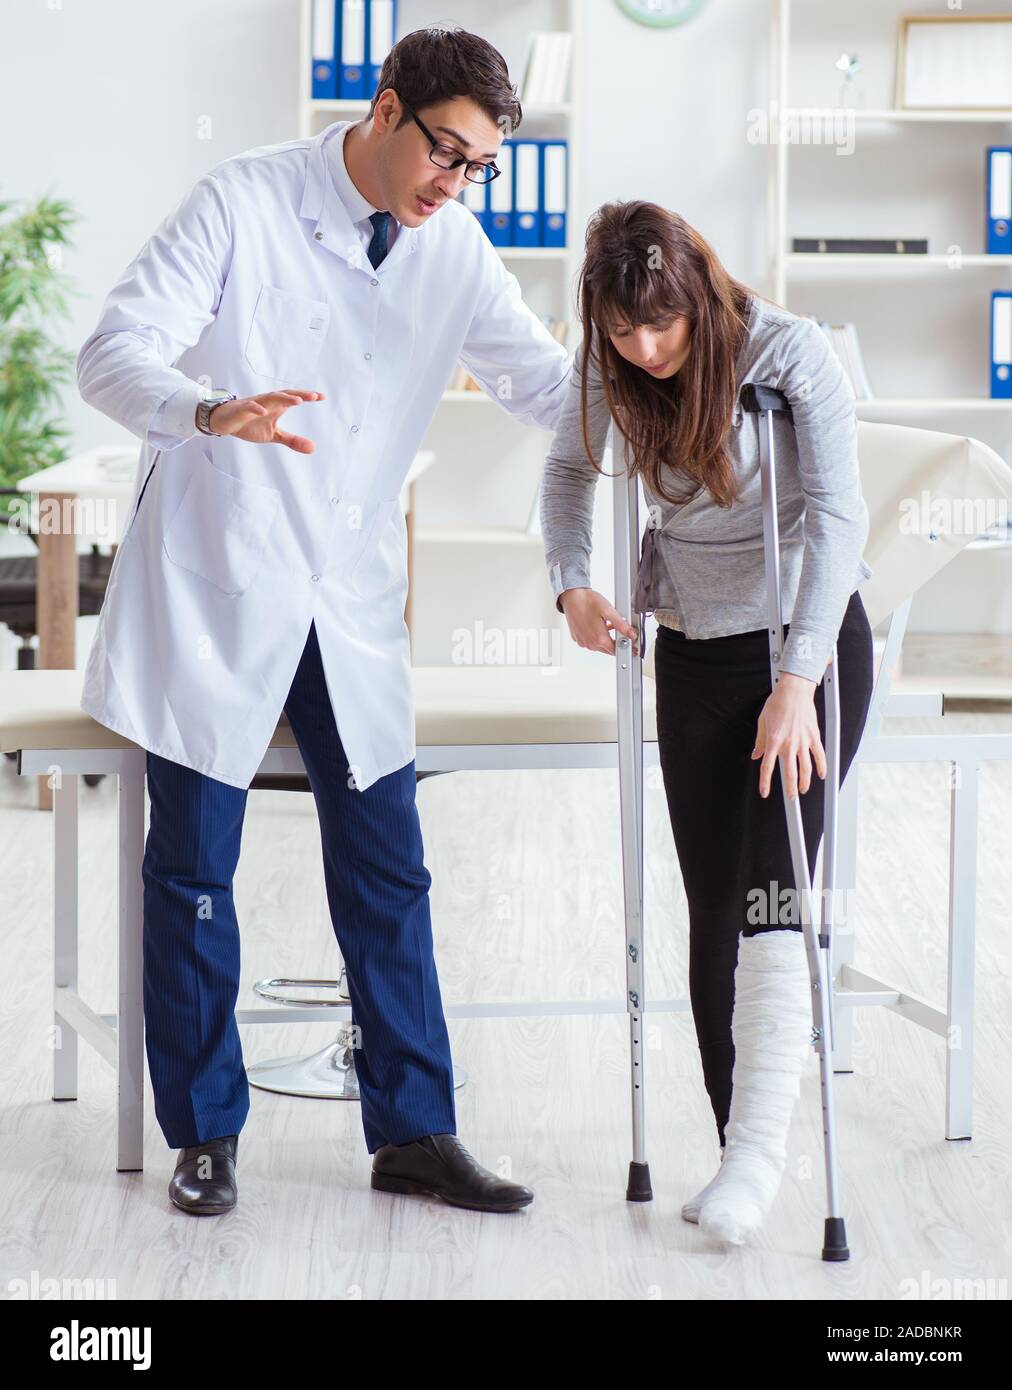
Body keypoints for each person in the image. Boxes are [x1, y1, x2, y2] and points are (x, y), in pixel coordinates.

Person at [76, 25, 573, 1216]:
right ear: (385, 108)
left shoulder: (452, 245)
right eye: (444, 153)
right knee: (196, 869)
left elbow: (547, 390)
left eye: (478, 170)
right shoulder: (241, 200)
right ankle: (203, 1132)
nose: (453, 186)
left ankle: (414, 1128)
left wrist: (691, 361)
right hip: (216, 576)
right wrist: (206, 409)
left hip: (341, 597)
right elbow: (111, 354)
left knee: (388, 867)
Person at [539, 200, 875, 1245]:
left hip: (803, 646)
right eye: (623, 331)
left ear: (699, 294)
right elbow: (563, 474)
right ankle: (737, 1142)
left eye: (663, 327)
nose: (643, 349)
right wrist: (571, 586)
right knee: (712, 905)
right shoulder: (608, 360)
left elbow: (837, 515)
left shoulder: (790, 352)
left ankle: (762, 1159)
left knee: (775, 886)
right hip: (688, 648)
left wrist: (795, 681)